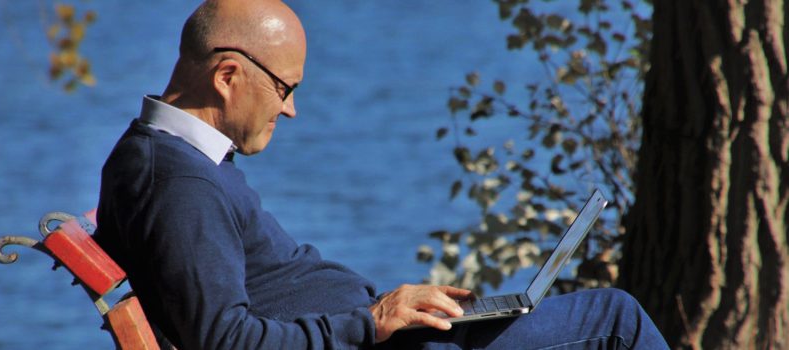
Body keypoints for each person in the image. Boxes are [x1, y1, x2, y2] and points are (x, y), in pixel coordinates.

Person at [93, 0, 669, 349]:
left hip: (379, 338)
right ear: (227, 76)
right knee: (614, 319)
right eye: (285, 88)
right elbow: (225, 341)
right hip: (373, 344)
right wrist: (369, 322)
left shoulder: (164, 157)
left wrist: (389, 312)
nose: (290, 108)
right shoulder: (179, 185)